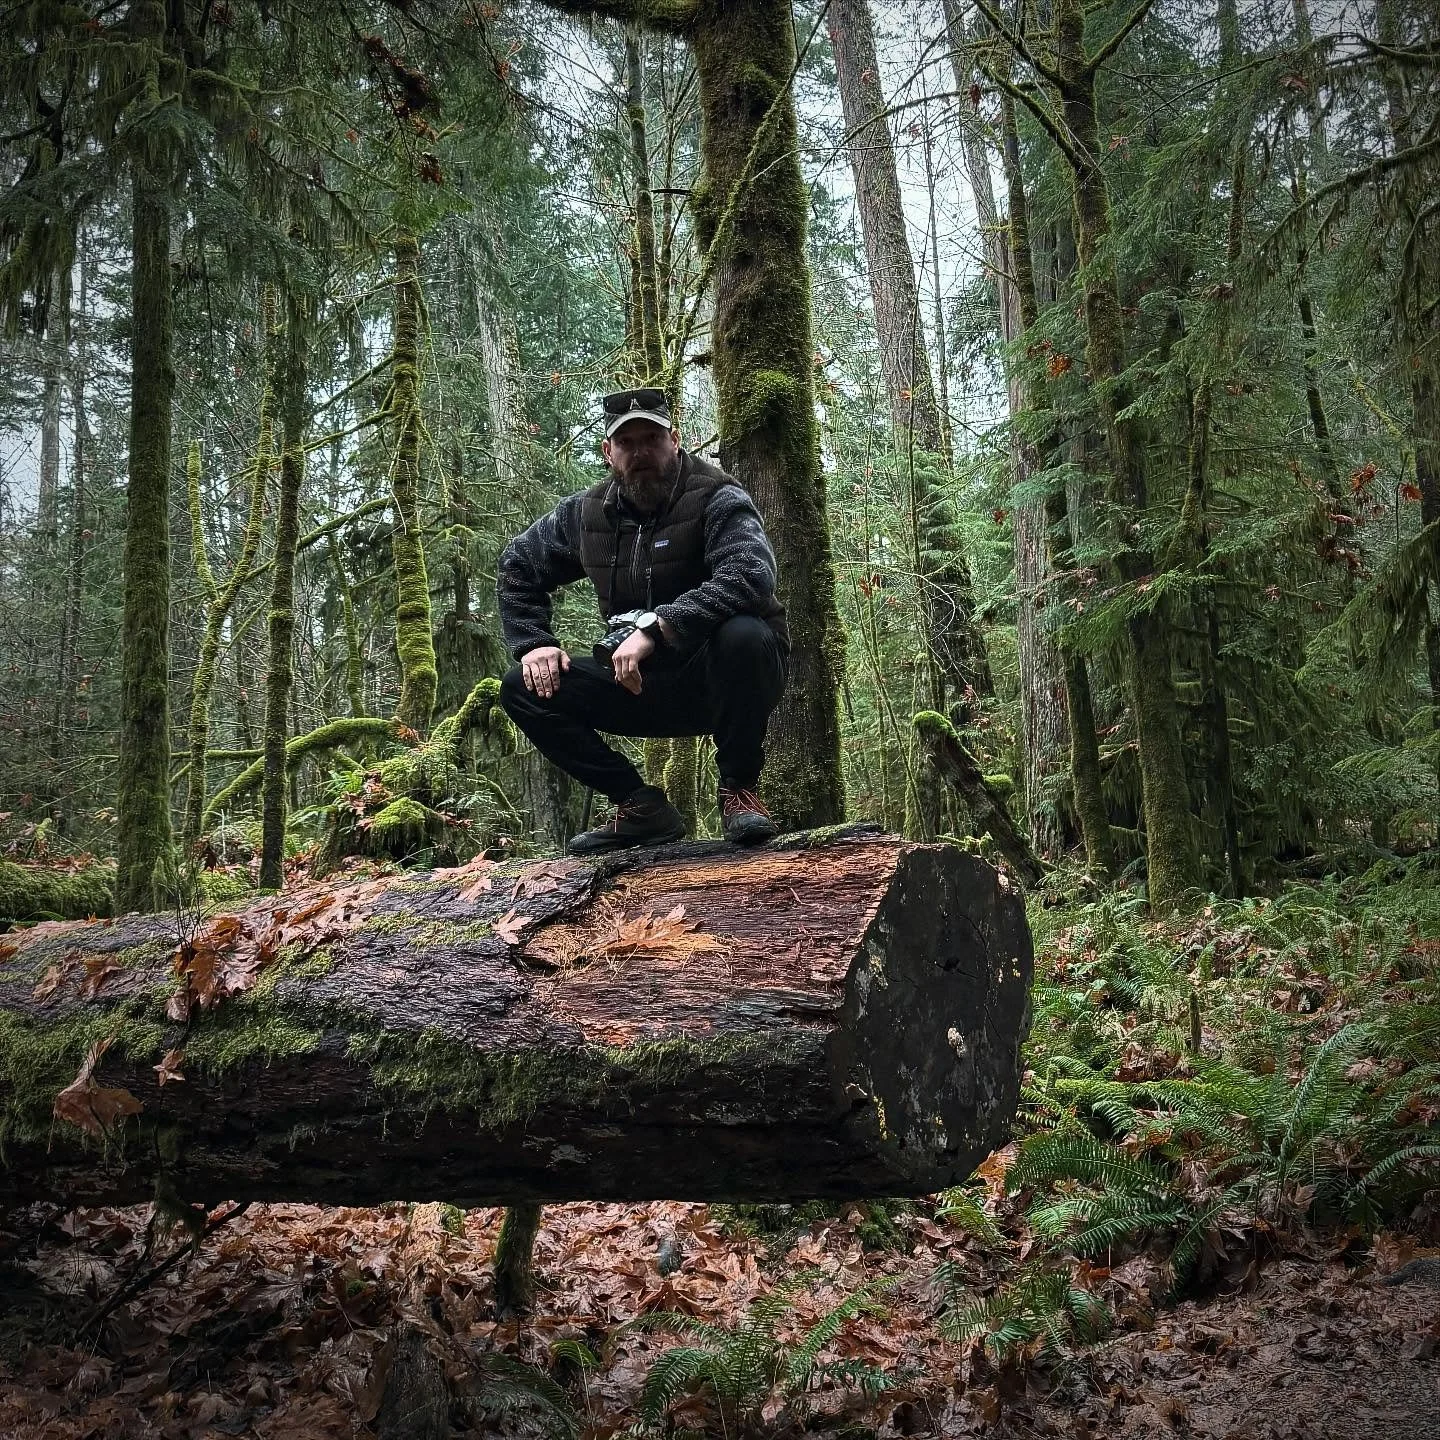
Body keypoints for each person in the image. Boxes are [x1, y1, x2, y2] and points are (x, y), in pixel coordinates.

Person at [497, 387, 789, 854]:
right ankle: (640, 807)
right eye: (627, 443)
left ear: (675, 439)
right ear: (608, 451)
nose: (640, 453)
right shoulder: (586, 514)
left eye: (651, 439)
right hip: (638, 684)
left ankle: (739, 791)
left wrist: (657, 628)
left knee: (745, 634)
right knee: (522, 686)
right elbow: (518, 565)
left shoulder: (717, 496)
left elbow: (750, 577)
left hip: (722, 679)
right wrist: (533, 642)